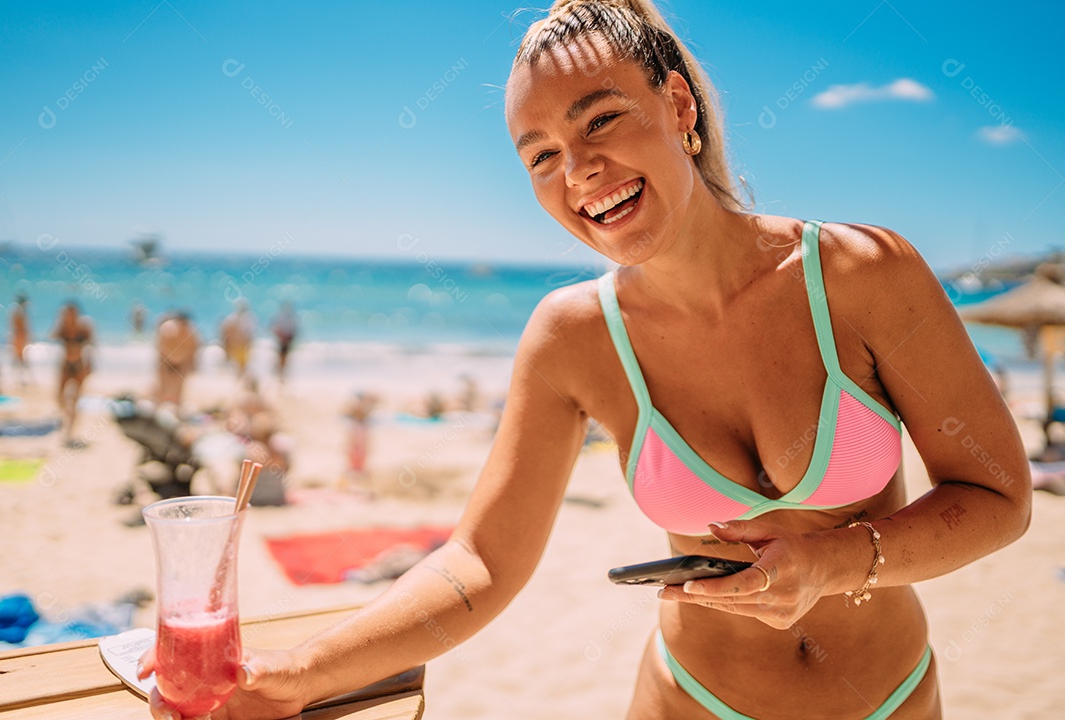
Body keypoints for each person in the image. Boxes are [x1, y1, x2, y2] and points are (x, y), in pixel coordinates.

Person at [140, 2, 1032, 718]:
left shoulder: (864, 276)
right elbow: (480, 563)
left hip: (888, 696)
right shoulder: (572, 338)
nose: (580, 173)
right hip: (694, 699)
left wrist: (840, 563)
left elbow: (999, 498)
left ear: (679, 109)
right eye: (541, 158)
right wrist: (294, 674)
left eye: (601, 120)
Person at [51, 301, 93, 447]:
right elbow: (51, 336)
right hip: (66, 364)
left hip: (79, 364)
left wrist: (90, 366)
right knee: (59, 397)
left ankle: (69, 429)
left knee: (75, 399)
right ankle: (66, 417)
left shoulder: (84, 328)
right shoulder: (63, 327)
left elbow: (92, 346)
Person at [155, 311, 201, 407]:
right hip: (168, 360)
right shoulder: (169, 328)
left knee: (177, 387)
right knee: (164, 386)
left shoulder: (190, 332)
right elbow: (160, 345)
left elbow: (194, 348)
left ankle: (174, 405)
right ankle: (164, 404)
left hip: (180, 360)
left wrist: (192, 362)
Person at [220, 300, 256, 378]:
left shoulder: (236, 317)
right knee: (241, 363)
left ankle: (241, 378)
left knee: (242, 363)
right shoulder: (247, 318)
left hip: (240, 344)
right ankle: (242, 378)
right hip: (240, 344)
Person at [270, 302, 298, 383]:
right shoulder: (286, 318)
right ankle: (281, 375)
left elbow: (293, 331)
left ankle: (281, 375)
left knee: (283, 359)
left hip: (285, 341)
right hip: (282, 341)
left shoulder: (289, 318)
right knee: (282, 359)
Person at [9, 294, 31, 386]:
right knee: (21, 359)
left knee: (19, 359)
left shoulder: (16, 311)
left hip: (17, 336)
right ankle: (20, 380)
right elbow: (22, 327)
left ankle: (17, 380)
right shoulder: (20, 312)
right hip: (19, 337)